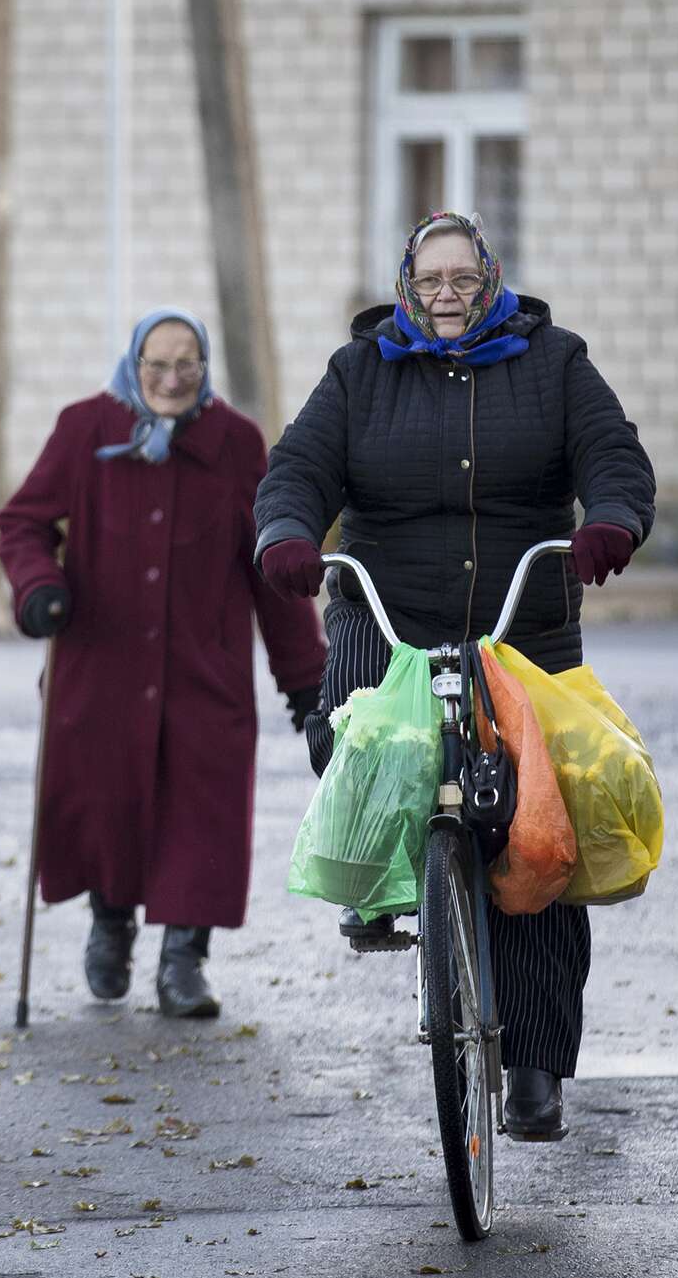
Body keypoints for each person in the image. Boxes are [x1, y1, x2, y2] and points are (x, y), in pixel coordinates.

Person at [253, 212, 655, 1139]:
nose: (446, 295)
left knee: (540, 827)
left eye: (464, 280)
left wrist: (613, 520)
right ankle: (382, 879)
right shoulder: (359, 372)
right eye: (430, 280)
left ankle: (539, 1068)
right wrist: (286, 534)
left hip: (521, 620)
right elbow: (297, 470)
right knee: (356, 737)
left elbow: (615, 456)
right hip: (386, 616)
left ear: (492, 279)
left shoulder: (554, 361)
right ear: (406, 284)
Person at [0, 307, 326, 1018]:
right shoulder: (85, 428)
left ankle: (184, 961)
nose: (171, 380)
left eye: (187, 366)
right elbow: (22, 523)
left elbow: (270, 565)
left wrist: (306, 682)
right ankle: (110, 923)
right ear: (133, 364)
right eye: (157, 365)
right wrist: (39, 588)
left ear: (204, 369)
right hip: (99, 670)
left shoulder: (235, 443)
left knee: (201, 815)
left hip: (204, 674)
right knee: (106, 805)